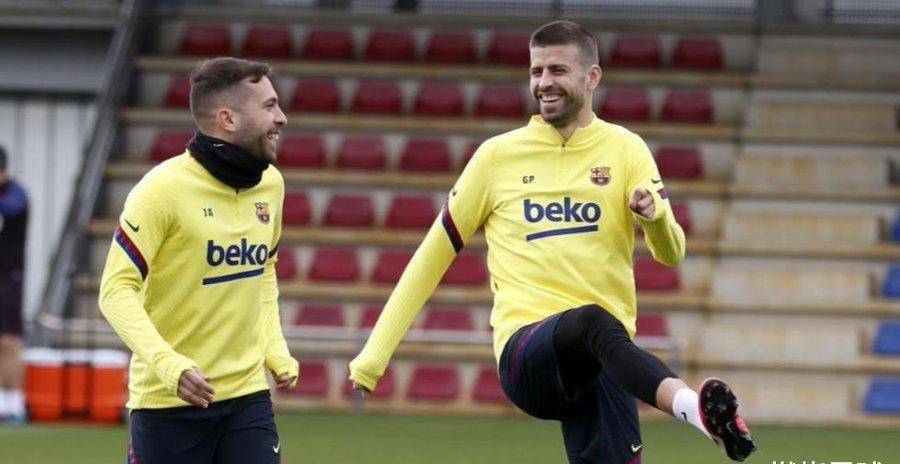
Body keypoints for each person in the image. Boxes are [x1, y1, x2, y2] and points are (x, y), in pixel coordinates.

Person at [349, 20, 757, 463]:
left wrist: (654, 219)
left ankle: (717, 428)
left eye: (557, 70)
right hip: (528, 354)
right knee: (593, 321)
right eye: (536, 71)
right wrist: (373, 358)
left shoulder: (626, 149)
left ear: (592, 77)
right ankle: (696, 412)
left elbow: (671, 253)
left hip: (604, 362)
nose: (544, 82)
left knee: (601, 338)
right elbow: (431, 257)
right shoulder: (496, 157)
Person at [99, 57, 298, 464]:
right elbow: (115, 292)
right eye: (269, 106)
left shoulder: (271, 185)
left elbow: (263, 270)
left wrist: (273, 346)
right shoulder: (161, 190)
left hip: (246, 397)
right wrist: (169, 365)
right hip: (166, 406)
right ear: (228, 119)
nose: (282, 117)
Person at [0, 145, 28, 424]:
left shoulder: (16, 193)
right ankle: (2, 400)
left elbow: (11, 208)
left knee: (10, 340)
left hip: (10, 276)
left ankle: (16, 401)